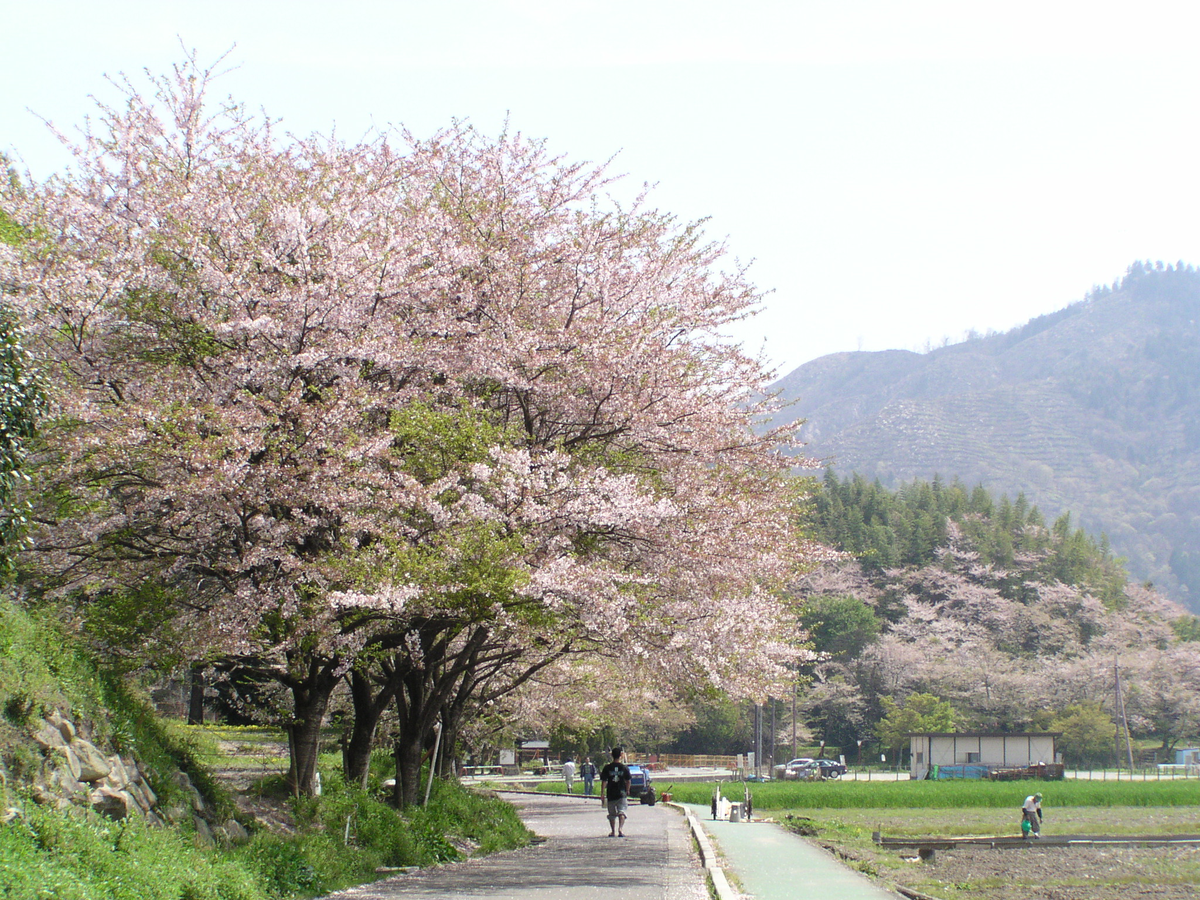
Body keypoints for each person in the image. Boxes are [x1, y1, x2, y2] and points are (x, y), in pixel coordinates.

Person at [600, 746, 632, 836]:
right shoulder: (624, 768)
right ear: (621, 755)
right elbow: (628, 780)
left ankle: (613, 831)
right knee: (622, 811)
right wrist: (628, 790)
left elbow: (604, 781)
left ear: (612, 756)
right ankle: (620, 829)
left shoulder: (607, 768)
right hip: (621, 793)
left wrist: (602, 792)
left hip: (610, 793)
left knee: (612, 814)